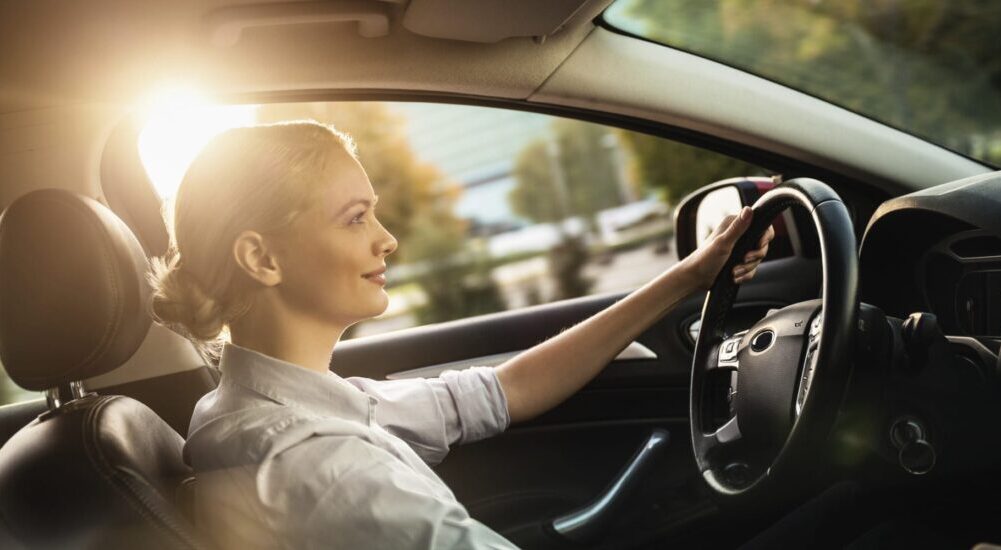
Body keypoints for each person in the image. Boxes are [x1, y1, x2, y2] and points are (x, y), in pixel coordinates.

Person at [149, 121, 773, 549]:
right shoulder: (316, 468)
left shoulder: (263, 409)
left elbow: (502, 391)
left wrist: (689, 276)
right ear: (263, 259)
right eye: (356, 217)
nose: (386, 238)